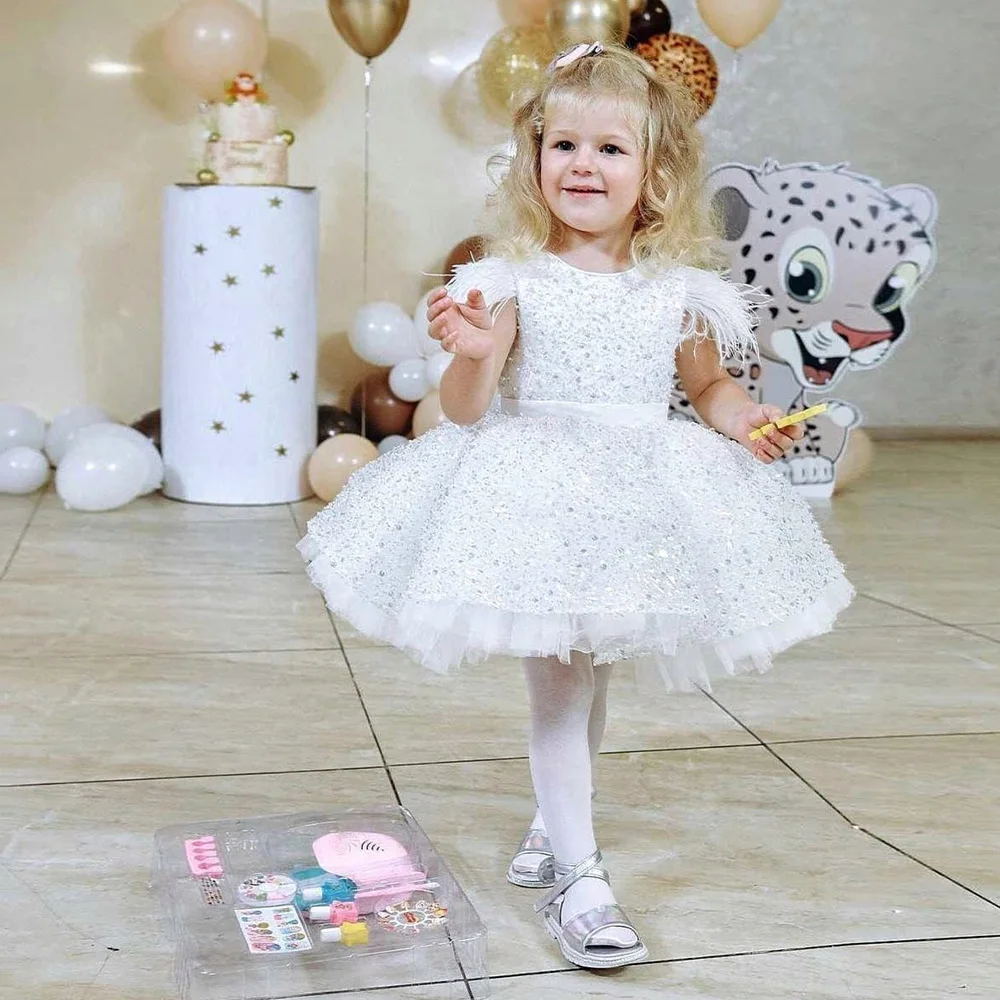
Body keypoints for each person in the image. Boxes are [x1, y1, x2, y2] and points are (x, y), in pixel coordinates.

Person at [300, 42, 853, 970]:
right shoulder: (507, 282)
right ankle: (581, 878)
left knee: (591, 669)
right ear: (534, 160)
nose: (583, 166)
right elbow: (468, 412)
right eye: (564, 146)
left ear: (655, 172)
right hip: (536, 488)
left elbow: (708, 389)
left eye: (609, 149)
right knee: (557, 677)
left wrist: (747, 419)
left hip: (636, 496)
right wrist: (474, 353)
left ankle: (556, 825)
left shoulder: (679, 291)